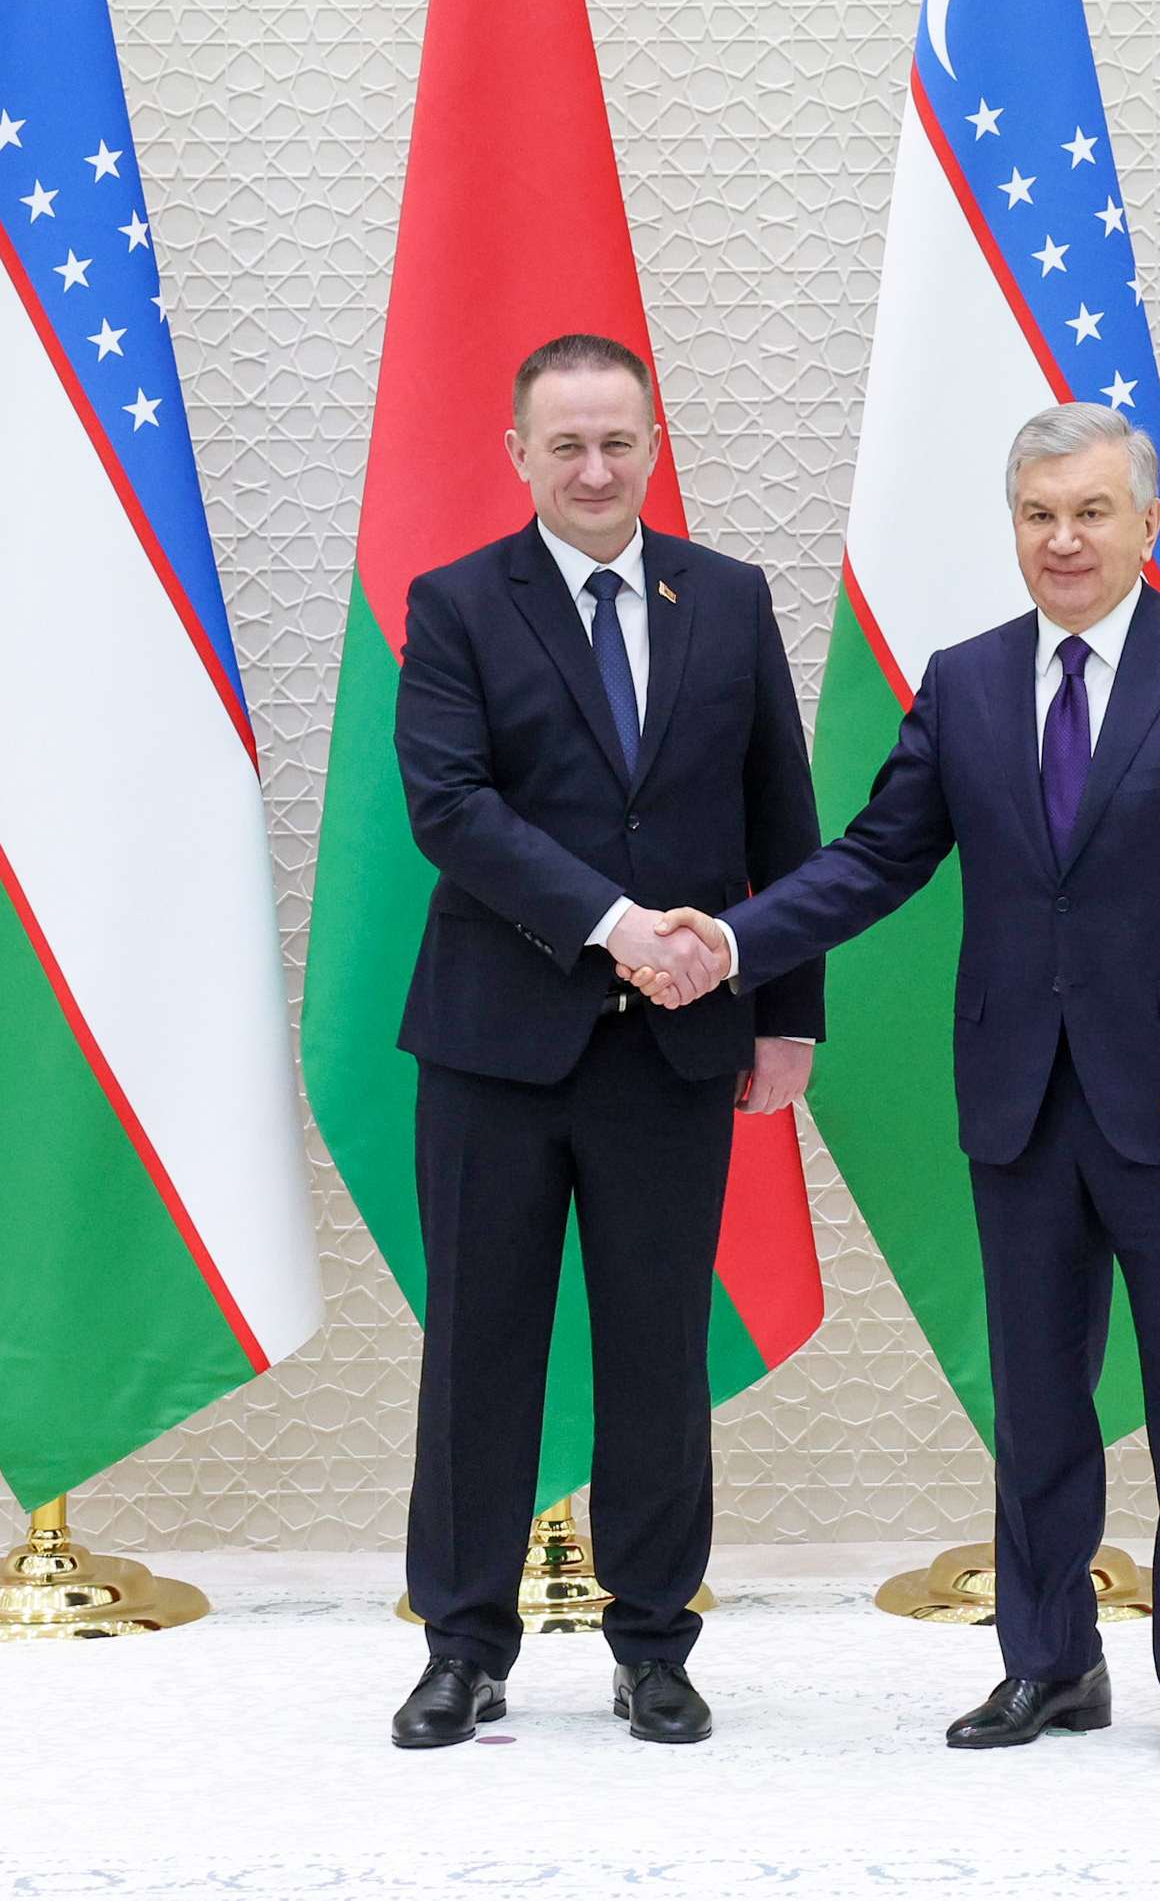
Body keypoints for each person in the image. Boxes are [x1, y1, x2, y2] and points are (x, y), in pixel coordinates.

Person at [627, 402, 1160, 1772]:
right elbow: (872, 859)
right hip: (1021, 1104)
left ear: (1146, 524)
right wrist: (734, 941)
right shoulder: (967, 681)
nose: (1064, 539)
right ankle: (1050, 1662)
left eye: (1091, 512)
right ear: (1015, 527)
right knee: (1039, 1407)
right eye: (1039, 515)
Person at [383, 333, 823, 1751]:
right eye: (565, 444)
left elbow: (781, 812)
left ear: (653, 446)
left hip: (677, 1053)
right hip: (495, 1051)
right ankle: (463, 1645)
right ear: (518, 453)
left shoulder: (729, 597)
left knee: (657, 1353)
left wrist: (790, 1013)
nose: (592, 469)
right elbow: (451, 808)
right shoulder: (456, 603)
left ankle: (654, 1643)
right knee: (480, 1351)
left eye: (617, 442)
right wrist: (618, 923)